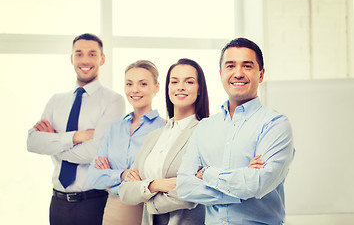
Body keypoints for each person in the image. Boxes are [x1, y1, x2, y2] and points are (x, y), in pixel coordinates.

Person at [176, 38, 295, 225]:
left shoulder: (275, 124)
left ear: (261, 74)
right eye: (230, 66)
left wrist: (206, 173)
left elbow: (258, 184)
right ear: (221, 73)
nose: (238, 73)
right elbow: (184, 187)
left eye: (247, 66)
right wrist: (241, 181)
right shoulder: (205, 127)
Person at [27, 33, 125, 225]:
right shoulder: (56, 101)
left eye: (92, 54)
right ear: (72, 59)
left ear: (102, 59)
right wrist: (77, 137)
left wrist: (53, 143)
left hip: (92, 203)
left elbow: (94, 153)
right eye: (79, 54)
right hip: (57, 203)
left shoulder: (113, 101)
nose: (85, 60)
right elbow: (32, 142)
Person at [118, 58, 209, 225]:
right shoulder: (153, 136)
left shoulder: (205, 132)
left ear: (199, 89)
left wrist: (146, 198)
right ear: (168, 88)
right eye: (174, 81)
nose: (180, 86)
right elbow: (125, 191)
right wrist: (156, 185)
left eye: (189, 82)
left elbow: (193, 193)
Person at [86, 60, 166, 225]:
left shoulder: (164, 128)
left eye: (143, 84)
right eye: (129, 84)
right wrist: (123, 175)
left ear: (156, 87)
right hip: (114, 209)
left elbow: (158, 178)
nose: (135, 89)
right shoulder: (114, 129)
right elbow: (93, 177)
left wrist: (109, 180)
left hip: (147, 210)